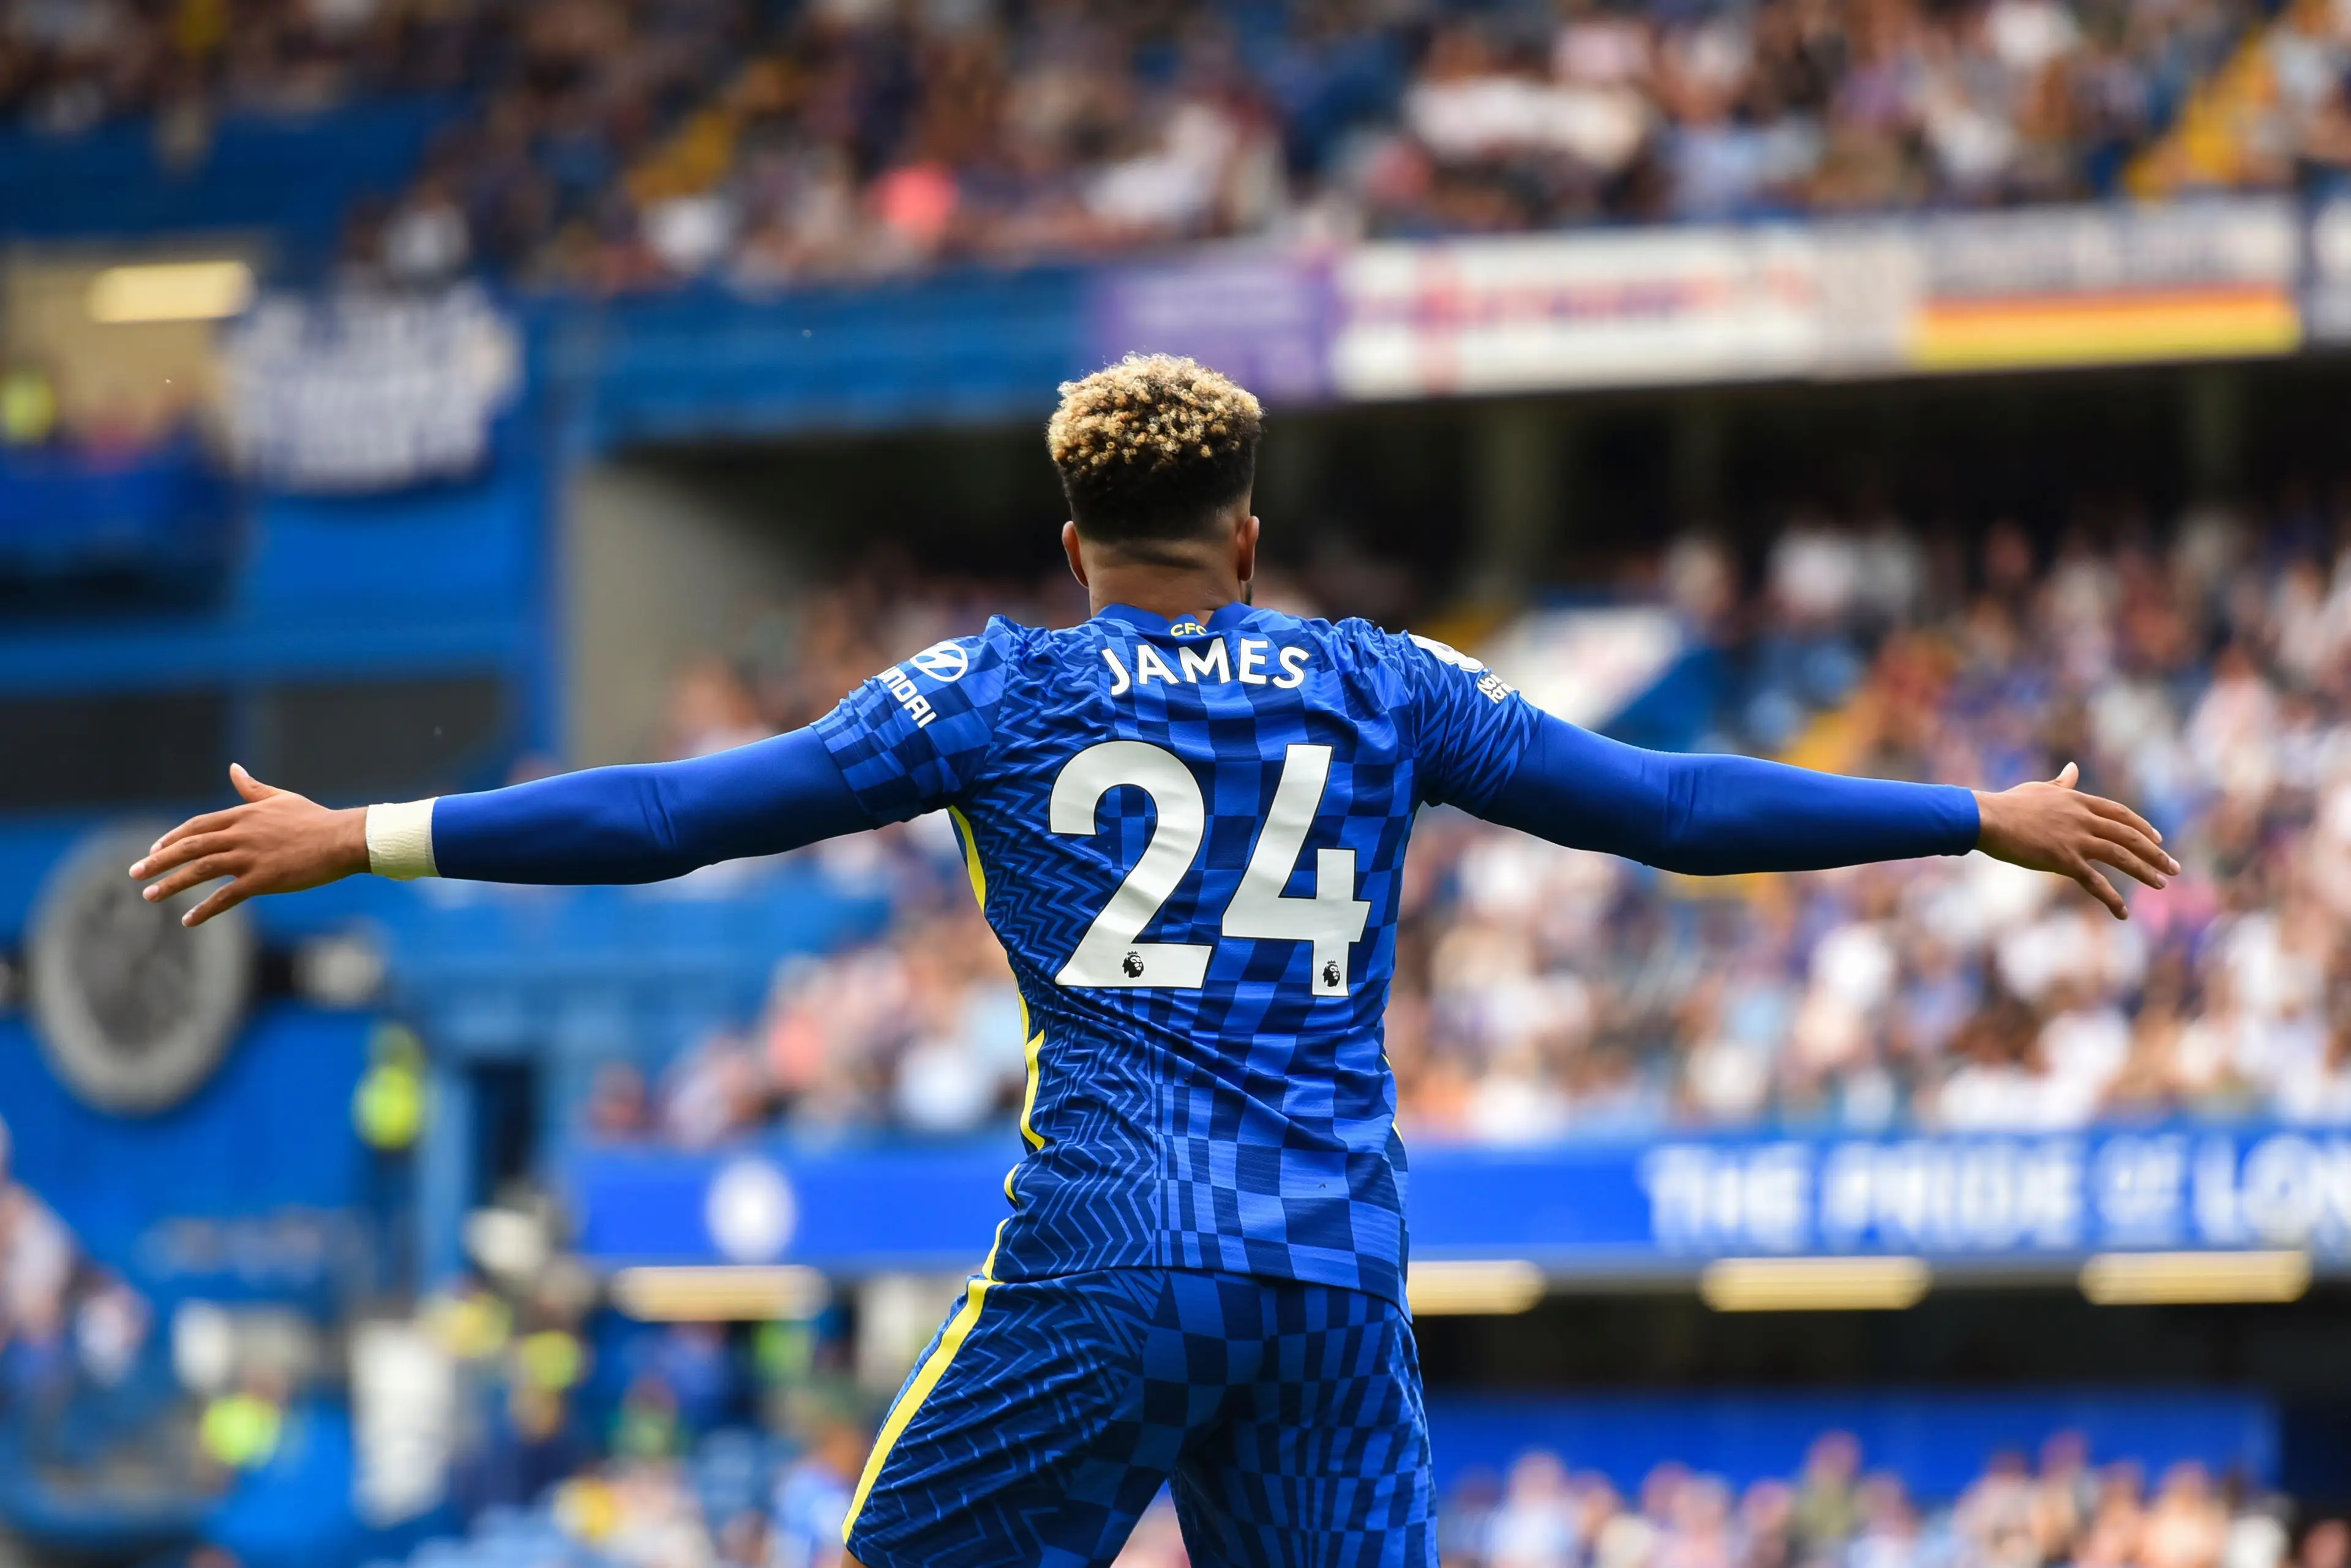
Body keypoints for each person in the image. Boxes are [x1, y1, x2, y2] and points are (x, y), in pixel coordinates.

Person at [130, 354, 2176, 1568]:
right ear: (1253, 535)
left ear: (1071, 536)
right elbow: (1678, 810)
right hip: (1325, 1268)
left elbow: (675, 815)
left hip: (1112, 1252)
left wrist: (364, 834)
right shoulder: (1382, 684)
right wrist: (1969, 815)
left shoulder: (996, 695)